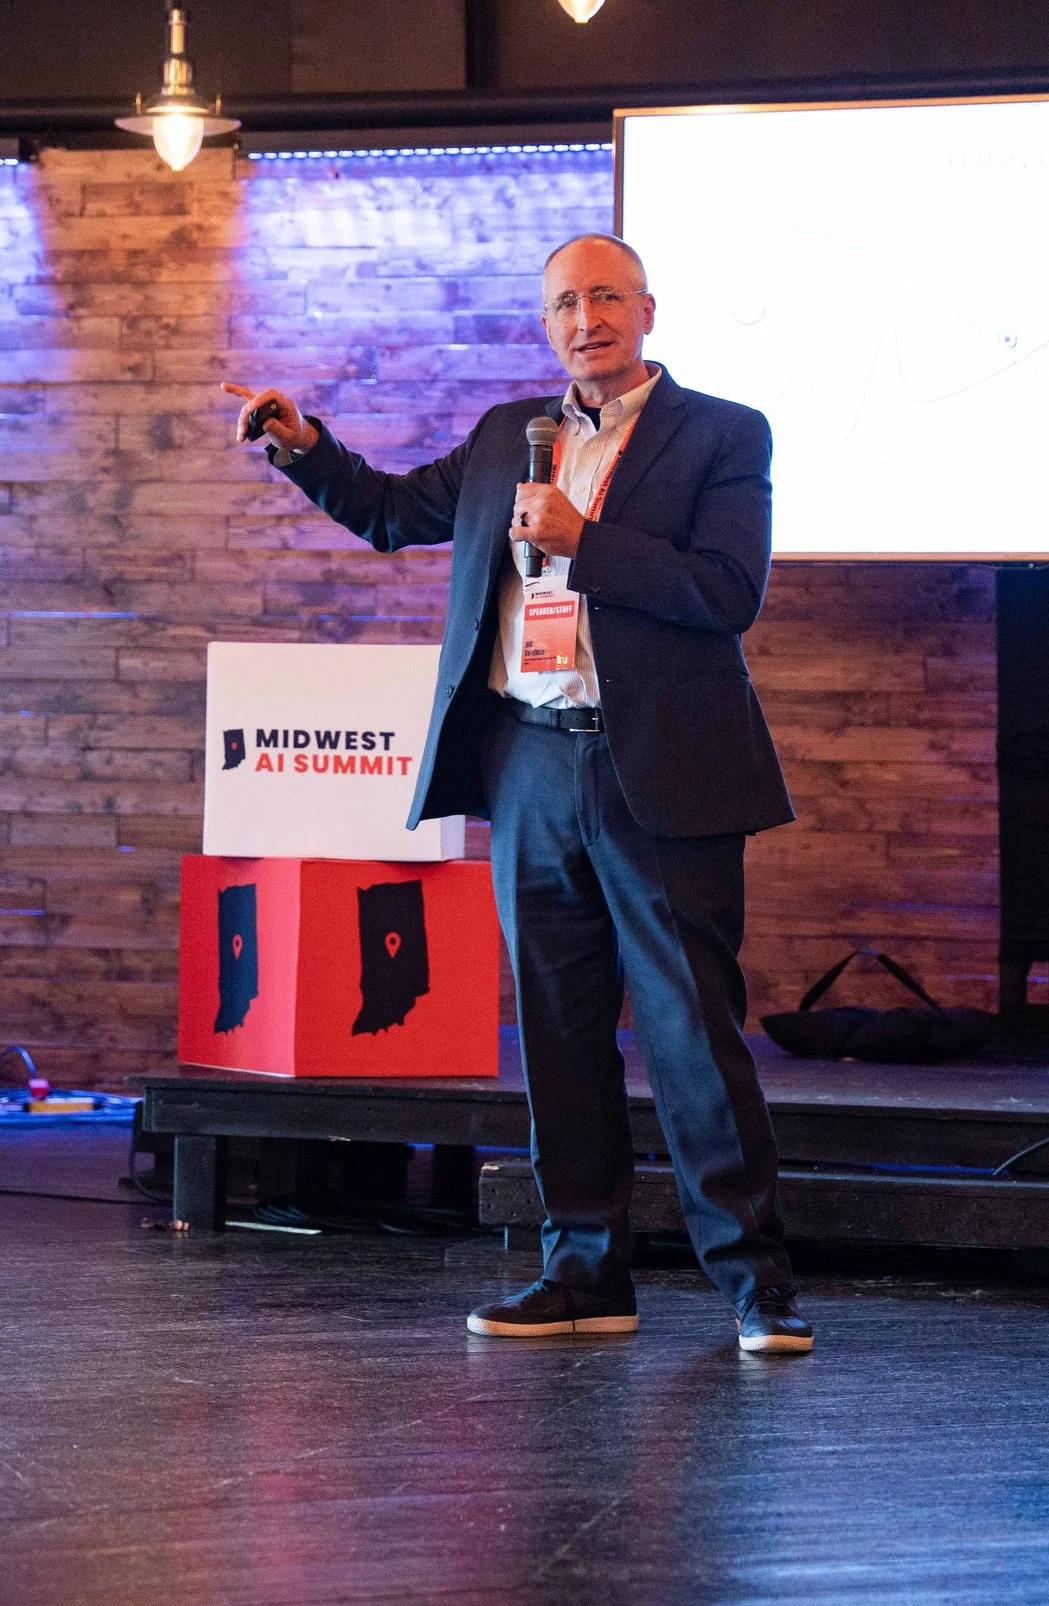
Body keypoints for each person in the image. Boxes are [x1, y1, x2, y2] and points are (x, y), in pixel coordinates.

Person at [221, 233, 812, 1354]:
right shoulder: (509, 436)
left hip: (659, 771)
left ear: (646, 308)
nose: (583, 317)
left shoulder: (724, 434)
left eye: (603, 296)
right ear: (545, 327)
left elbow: (728, 591)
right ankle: (585, 1271)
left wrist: (586, 543)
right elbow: (396, 513)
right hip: (532, 760)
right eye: (561, 304)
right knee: (557, 1029)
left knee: (691, 1033)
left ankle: (756, 1285)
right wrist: (306, 448)